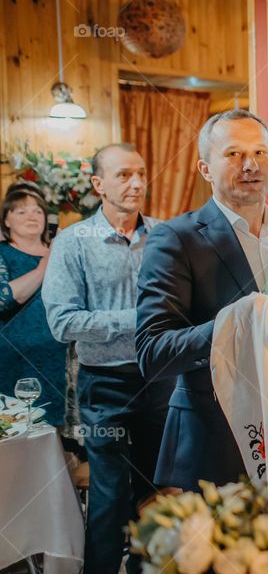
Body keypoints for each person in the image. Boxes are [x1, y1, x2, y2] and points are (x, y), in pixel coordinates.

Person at [136, 109, 268, 497]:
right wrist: (239, 321)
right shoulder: (177, 238)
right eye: (233, 154)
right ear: (205, 168)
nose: (250, 165)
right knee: (238, 559)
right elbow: (154, 353)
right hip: (220, 443)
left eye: (260, 153)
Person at [42, 143, 174, 574]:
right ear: (98, 184)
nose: (136, 183)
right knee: (110, 494)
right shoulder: (72, 242)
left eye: (140, 173)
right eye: (123, 175)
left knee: (157, 491)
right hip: (105, 384)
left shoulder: (166, 234)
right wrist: (138, 320)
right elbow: (63, 322)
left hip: (161, 380)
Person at [0, 188, 67, 425]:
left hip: (63, 359)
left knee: (65, 438)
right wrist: (42, 269)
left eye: (38, 211)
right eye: (21, 211)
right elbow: (3, 299)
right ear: (6, 220)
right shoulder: (2, 253)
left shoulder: (64, 252)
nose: (32, 216)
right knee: (19, 428)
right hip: (14, 361)